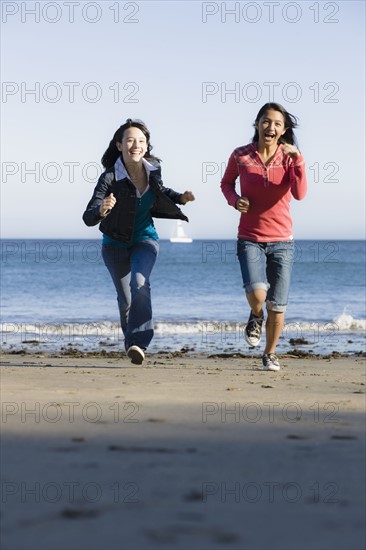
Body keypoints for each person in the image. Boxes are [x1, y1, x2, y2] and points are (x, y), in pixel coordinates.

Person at [83, 119, 195, 364]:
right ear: (119, 145)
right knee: (125, 301)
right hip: (114, 246)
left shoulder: (153, 168)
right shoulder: (109, 178)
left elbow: (161, 190)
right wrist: (102, 209)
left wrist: (181, 198)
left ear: (147, 146)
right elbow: (88, 216)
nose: (136, 145)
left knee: (140, 284)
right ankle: (131, 345)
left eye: (141, 141)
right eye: (130, 140)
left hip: (145, 239)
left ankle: (138, 342)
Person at [221, 103, 307, 371]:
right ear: (257, 124)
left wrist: (300, 159)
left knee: (278, 305)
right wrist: (235, 201)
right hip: (250, 237)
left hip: (283, 240)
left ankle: (270, 353)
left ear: (284, 130)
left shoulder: (290, 157)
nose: (271, 127)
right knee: (259, 297)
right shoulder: (241, 155)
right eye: (266, 121)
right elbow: (226, 184)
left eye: (277, 124)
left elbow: (300, 194)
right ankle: (255, 315)